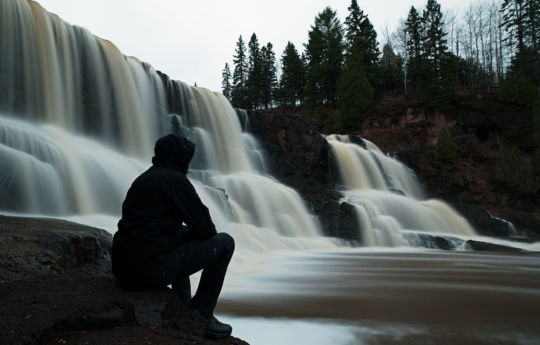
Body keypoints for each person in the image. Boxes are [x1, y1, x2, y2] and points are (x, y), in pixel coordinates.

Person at [111, 134, 235, 339]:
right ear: (180, 157)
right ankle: (201, 314)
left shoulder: (144, 178)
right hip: (149, 272)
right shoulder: (175, 181)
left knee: (180, 235)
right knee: (225, 243)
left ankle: (183, 304)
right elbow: (206, 230)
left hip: (123, 270)